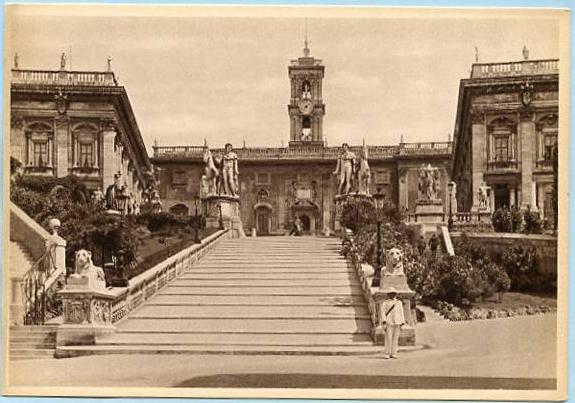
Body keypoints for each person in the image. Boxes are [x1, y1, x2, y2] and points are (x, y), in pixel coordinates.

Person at [379, 287, 405, 359]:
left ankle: (393, 353)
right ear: (388, 294)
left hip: (397, 321)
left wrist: (402, 321)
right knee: (388, 338)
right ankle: (387, 353)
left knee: (395, 338)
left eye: (394, 294)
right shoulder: (385, 303)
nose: (392, 295)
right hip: (389, 321)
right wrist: (384, 321)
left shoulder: (399, 303)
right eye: (391, 294)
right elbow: (382, 312)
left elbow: (401, 312)